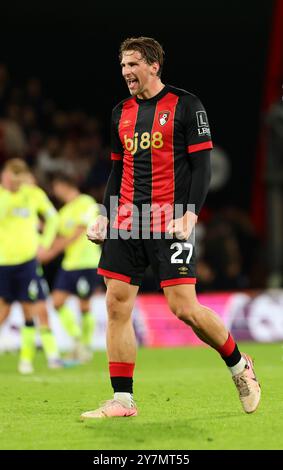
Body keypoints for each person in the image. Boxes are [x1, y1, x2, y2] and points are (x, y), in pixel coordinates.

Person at [82, 37, 261, 419]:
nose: (126, 72)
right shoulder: (119, 113)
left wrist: (192, 213)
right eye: (123, 66)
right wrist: (105, 213)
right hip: (128, 221)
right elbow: (118, 169)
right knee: (116, 304)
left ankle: (239, 366)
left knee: (184, 308)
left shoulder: (186, 105)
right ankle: (123, 400)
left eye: (133, 64)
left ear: (154, 65)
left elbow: (204, 167)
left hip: (170, 220)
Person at [0, 159, 61, 373]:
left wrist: (44, 244)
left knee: (30, 309)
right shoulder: (2, 196)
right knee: (3, 311)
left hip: (27, 261)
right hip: (3, 261)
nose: (12, 181)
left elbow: (53, 218)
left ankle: (26, 360)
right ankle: (47, 357)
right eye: (9, 176)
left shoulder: (33, 194)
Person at [39, 172, 101, 362]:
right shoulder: (64, 212)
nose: (55, 192)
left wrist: (50, 253)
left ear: (64, 185)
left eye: (56, 187)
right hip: (70, 264)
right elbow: (53, 231)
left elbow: (78, 232)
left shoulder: (86, 202)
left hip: (86, 262)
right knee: (57, 302)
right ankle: (76, 340)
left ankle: (86, 346)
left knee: (84, 305)